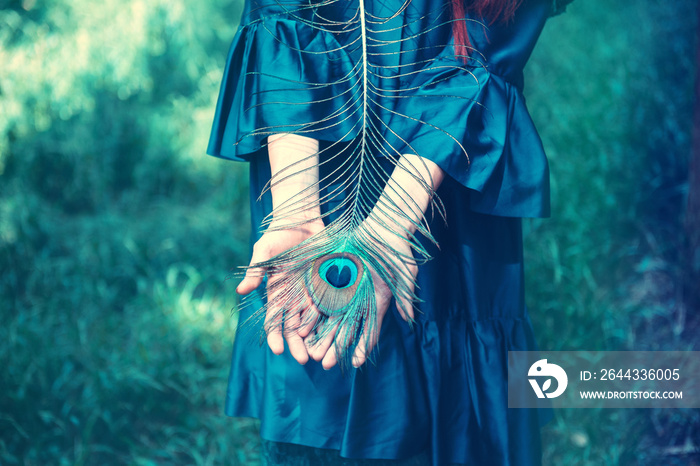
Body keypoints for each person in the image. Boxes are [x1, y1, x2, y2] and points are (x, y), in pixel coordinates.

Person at [207, 0, 574, 464]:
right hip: (312, 165)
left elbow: (487, 40)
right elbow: (287, 16)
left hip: (444, 176)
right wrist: (296, 210)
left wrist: (392, 223)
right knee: (319, 376)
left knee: (448, 411)